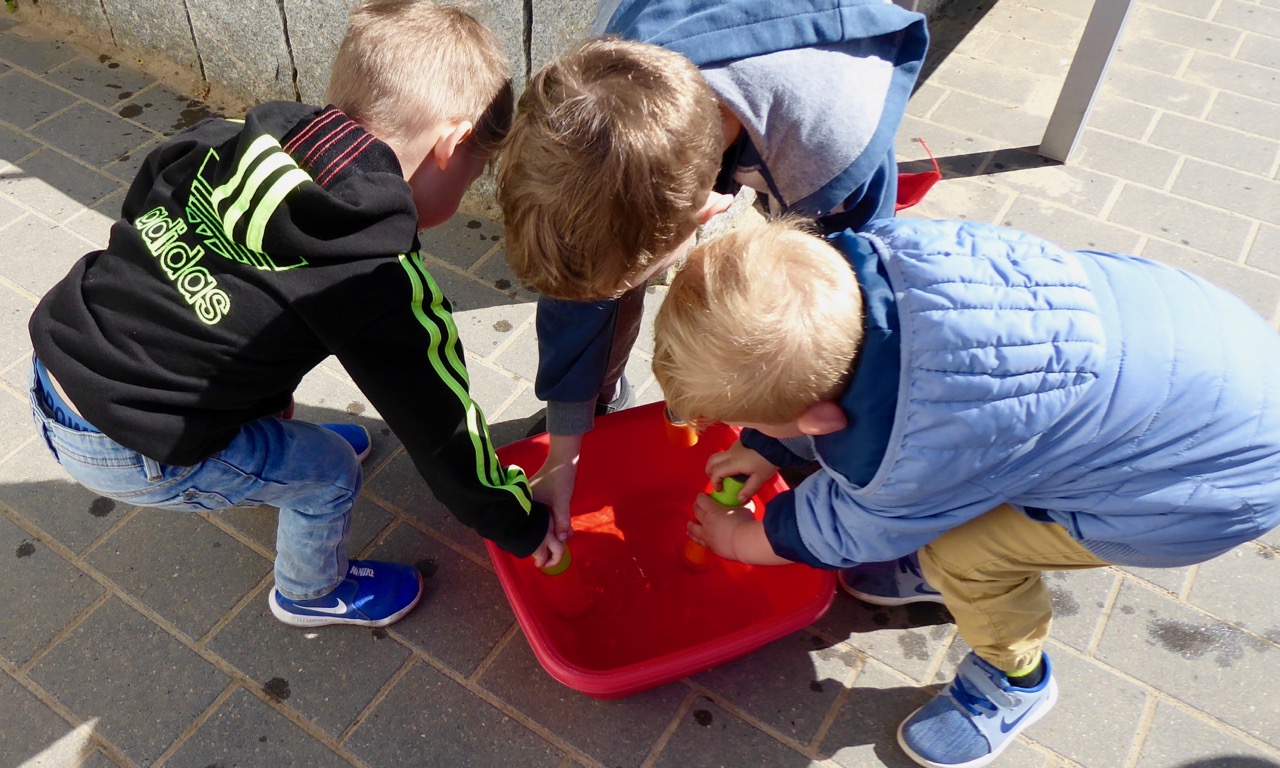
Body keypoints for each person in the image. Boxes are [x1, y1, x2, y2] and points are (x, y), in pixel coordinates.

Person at [650, 218, 1280, 768]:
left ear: (818, 421)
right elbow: (852, 386)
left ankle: (1015, 682)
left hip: (1193, 493)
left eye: (757, 424)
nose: (754, 435)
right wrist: (772, 445)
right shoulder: (890, 255)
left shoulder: (911, 449)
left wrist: (745, 537)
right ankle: (930, 554)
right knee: (942, 489)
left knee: (967, 558)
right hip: (1204, 343)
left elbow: (844, 529)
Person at [27, 0, 560, 631]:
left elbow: (148, 192)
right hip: (134, 445)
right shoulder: (376, 270)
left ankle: (257, 435)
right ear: (453, 145)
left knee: (240, 323)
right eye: (478, 170)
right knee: (328, 475)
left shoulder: (229, 136)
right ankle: (309, 591)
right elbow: (440, 424)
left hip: (60, 359)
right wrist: (518, 521)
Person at [497, 0, 930, 542]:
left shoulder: (832, 151)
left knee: (818, 328)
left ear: (710, 207)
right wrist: (564, 455)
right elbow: (584, 281)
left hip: (820, 90)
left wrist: (781, 441)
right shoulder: (608, 79)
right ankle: (597, 400)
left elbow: (849, 325)